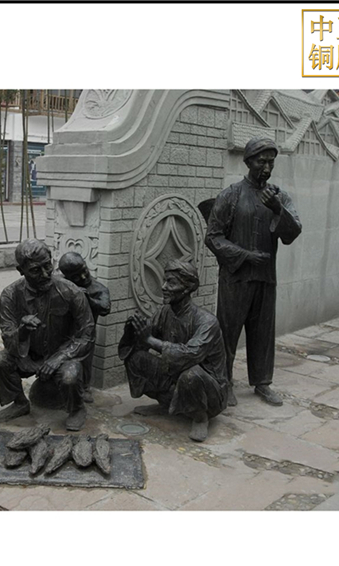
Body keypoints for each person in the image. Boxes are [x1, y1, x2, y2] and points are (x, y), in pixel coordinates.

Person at [205, 136, 302, 407]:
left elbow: (292, 233)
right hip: (235, 278)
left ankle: (262, 382)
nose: (267, 167)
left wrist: (277, 209)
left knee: (263, 333)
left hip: (265, 278)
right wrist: (245, 255)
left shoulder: (279, 197)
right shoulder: (231, 195)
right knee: (227, 333)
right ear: (248, 162)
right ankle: (224, 381)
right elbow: (212, 237)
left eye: (271, 162)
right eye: (261, 161)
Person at [0, 239, 95, 431]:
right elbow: (8, 339)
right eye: (35, 270)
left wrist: (60, 357)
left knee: (70, 375)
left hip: (62, 357)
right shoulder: (10, 295)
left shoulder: (70, 291)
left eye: (47, 265)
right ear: (21, 270)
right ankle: (20, 402)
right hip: (28, 357)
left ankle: (77, 409)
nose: (46, 274)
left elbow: (87, 334)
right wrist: (22, 332)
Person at [118, 260, 228, 442]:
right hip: (176, 376)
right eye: (165, 281)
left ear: (187, 288)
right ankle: (166, 404)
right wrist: (134, 330)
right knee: (136, 358)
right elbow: (144, 341)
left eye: (171, 283)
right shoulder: (164, 312)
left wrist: (151, 340)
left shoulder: (207, 322)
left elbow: (191, 354)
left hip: (208, 390)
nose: (164, 287)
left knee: (191, 375)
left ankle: (200, 417)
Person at [58, 251, 111, 402]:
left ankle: (85, 387)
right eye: (76, 276)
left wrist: (87, 299)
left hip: (86, 333)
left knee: (85, 362)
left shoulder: (98, 288)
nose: (83, 277)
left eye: (84, 271)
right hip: (65, 331)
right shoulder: (63, 285)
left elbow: (105, 308)